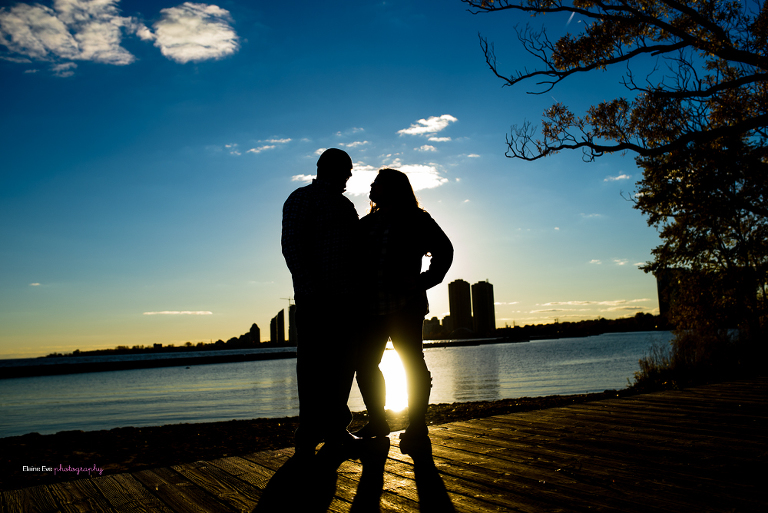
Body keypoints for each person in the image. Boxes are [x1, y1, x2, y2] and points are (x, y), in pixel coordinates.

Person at [354, 168, 453, 454]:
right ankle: (377, 421)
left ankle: (417, 425)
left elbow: (445, 251)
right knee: (365, 364)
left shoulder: (418, 219)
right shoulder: (365, 224)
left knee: (412, 363)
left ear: (393, 188)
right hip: (370, 309)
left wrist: (423, 280)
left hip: (405, 307)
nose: (371, 187)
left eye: (377, 183)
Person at [281, 148, 360, 456]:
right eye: (347, 169)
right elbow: (292, 246)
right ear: (331, 168)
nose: (350, 175)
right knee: (313, 367)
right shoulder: (302, 198)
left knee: (343, 366)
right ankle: (309, 431)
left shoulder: (345, 204)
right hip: (316, 300)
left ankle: (336, 429)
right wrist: (310, 289)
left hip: (348, 300)